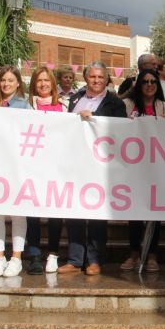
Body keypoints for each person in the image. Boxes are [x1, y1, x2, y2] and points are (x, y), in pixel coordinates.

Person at [57, 62, 126, 276]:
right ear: (86, 78)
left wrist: (94, 120)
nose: (96, 80)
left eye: (101, 77)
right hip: (76, 163)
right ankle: (75, 259)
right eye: (93, 77)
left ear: (107, 79)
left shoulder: (115, 102)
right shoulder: (75, 99)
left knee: (97, 214)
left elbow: (121, 130)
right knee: (74, 212)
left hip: (100, 165)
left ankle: (94, 260)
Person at [120, 69, 165, 272]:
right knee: (135, 212)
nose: (149, 85)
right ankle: (133, 254)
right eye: (145, 82)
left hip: (156, 166)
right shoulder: (127, 105)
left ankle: (151, 255)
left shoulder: (164, 106)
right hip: (133, 167)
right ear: (139, 85)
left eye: (153, 82)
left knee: (154, 214)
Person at [0, 65, 32, 278]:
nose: (6, 84)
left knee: (17, 212)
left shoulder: (24, 106)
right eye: (3, 80)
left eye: (10, 80)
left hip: (17, 166)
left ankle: (16, 258)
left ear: (18, 83)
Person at [25, 67, 66, 275]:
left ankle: (52, 253)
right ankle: (33, 255)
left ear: (52, 83)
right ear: (33, 84)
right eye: (39, 81)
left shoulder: (64, 107)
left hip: (55, 168)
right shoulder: (26, 107)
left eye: (46, 81)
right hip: (32, 167)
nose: (43, 84)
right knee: (32, 213)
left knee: (54, 213)